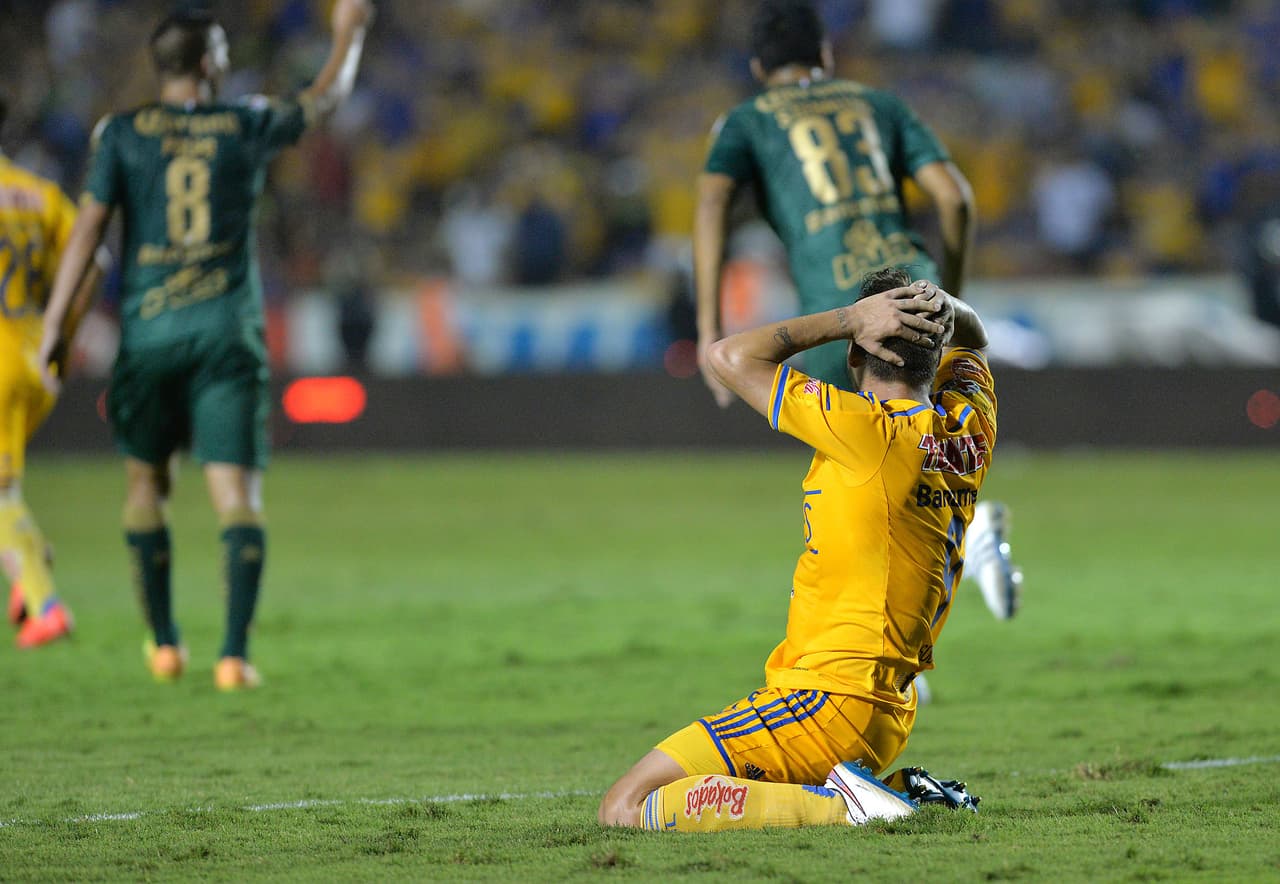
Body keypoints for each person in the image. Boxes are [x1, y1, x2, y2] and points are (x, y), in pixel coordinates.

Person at [39, 1, 373, 689]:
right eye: (220, 51)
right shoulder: (243, 123)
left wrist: (54, 324)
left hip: (150, 334)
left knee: (144, 486)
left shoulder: (121, 133)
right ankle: (233, 657)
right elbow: (324, 99)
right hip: (225, 333)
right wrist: (349, 33)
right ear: (205, 63)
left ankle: (164, 645)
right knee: (236, 495)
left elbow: (87, 231)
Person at [599, 268, 989, 831]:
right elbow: (975, 338)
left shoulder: (865, 430)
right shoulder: (969, 428)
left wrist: (849, 319)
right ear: (935, 352)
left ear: (856, 352)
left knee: (625, 806)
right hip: (884, 714)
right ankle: (902, 795)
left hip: (826, 703)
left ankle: (846, 809)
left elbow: (728, 357)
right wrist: (942, 306)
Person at [693, 0, 1019, 626]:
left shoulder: (746, 120)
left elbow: (710, 206)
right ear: (825, 54)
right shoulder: (880, 103)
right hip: (917, 288)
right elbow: (955, 198)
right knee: (930, 452)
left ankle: (887, 635)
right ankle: (967, 537)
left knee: (859, 478)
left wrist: (708, 327)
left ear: (758, 66)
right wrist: (949, 301)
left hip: (839, 309)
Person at [0, 96, 105, 648]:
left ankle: (46, 606)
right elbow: (95, 261)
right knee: (5, 492)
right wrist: (62, 334)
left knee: (0, 496)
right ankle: (29, 563)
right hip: (34, 355)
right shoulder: (37, 193)